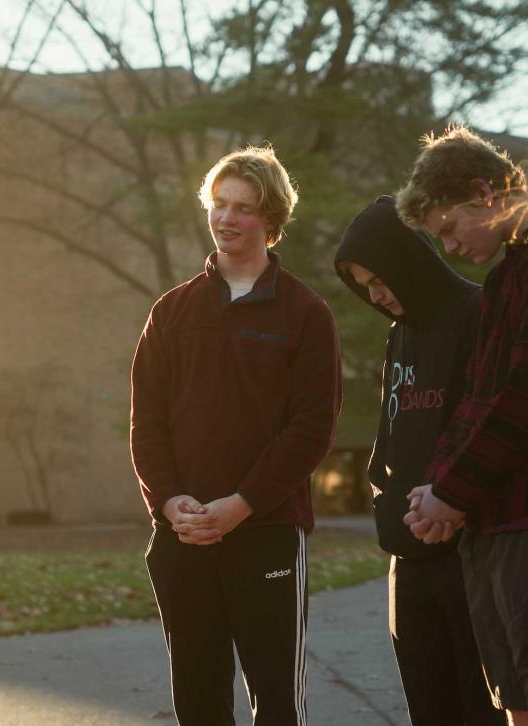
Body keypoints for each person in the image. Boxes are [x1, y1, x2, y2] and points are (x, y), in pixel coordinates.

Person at [395, 127, 528, 726]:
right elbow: (475, 399)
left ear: (484, 192)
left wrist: (452, 493)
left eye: (448, 229)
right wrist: (438, 486)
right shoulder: (505, 276)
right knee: (517, 703)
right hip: (494, 521)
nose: (449, 247)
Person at [130, 146, 343, 725]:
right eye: (219, 204)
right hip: (183, 535)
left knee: (277, 705)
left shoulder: (304, 313)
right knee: (198, 704)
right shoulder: (171, 312)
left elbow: (311, 431)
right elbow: (146, 424)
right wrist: (171, 503)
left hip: (267, 534)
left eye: (243, 208)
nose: (226, 218)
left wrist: (240, 506)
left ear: (270, 220)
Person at [334, 196, 505, 726]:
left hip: (466, 553)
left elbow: (486, 426)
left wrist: (451, 504)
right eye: (364, 288)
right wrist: (385, 501)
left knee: (480, 709)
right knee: (427, 709)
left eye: (379, 279)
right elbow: (392, 433)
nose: (376, 295)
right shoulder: (398, 334)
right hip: (405, 558)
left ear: (407, 259)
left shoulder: (477, 314)